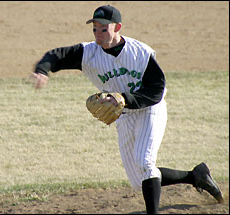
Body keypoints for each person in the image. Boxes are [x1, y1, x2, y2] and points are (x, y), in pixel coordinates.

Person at [31, 5, 224, 214]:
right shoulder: (88, 53)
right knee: (139, 179)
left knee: (145, 162)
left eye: (104, 29)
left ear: (118, 27)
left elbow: (156, 90)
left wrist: (125, 98)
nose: (98, 33)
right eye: (95, 28)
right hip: (122, 115)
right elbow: (56, 55)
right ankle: (195, 176)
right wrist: (42, 70)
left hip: (150, 108)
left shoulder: (140, 53)